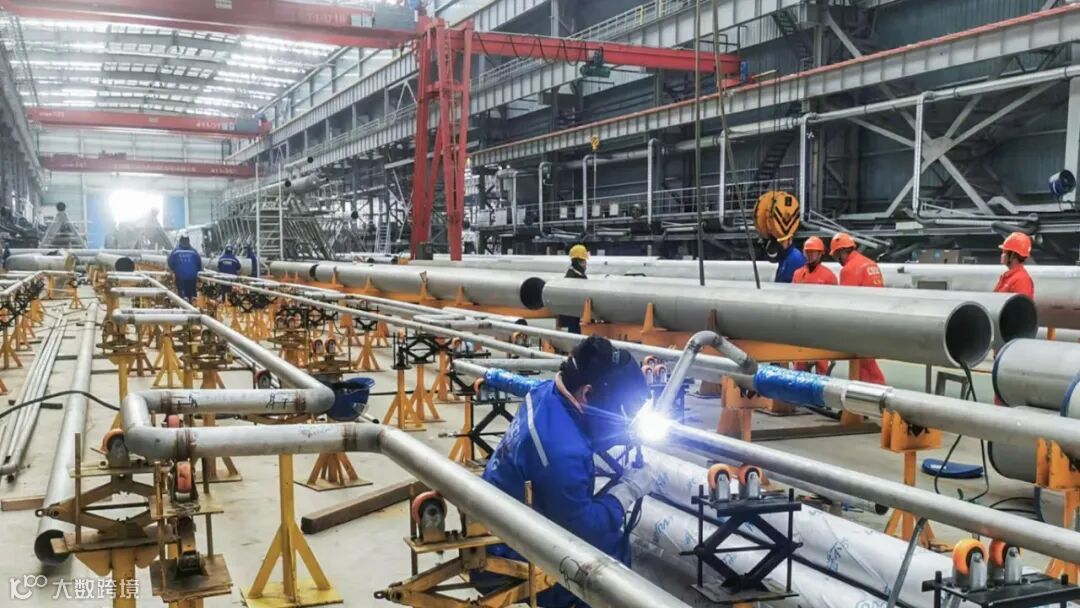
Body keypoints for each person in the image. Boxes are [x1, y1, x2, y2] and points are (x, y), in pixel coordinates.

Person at [482, 335, 654, 607]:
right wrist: (628, 492)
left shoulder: (545, 393)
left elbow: (580, 427)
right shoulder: (562, 453)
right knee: (608, 557)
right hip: (509, 552)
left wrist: (624, 432)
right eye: (618, 412)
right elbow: (586, 529)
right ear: (588, 394)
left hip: (497, 518)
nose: (620, 420)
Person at [830, 232, 886, 385]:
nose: (838, 261)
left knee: (866, 365)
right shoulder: (871, 264)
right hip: (878, 321)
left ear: (841, 252)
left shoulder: (849, 269)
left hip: (861, 326)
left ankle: (880, 394)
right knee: (865, 365)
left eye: (836, 256)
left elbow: (846, 303)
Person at [792, 236, 836, 375]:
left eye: (813, 252)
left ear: (820, 253)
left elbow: (834, 304)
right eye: (807, 252)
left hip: (821, 327)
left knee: (821, 365)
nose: (810, 255)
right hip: (802, 326)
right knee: (799, 366)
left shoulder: (829, 276)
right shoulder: (798, 274)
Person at [557, 244, 589, 334]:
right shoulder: (575, 276)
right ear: (578, 261)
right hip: (574, 314)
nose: (586, 264)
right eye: (584, 261)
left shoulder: (573, 273)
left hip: (574, 314)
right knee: (575, 334)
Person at [994, 232, 1035, 299]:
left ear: (1013, 254)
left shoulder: (1021, 280)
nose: (1002, 255)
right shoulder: (1008, 276)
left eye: (1004, 251)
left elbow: (1021, 304)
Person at [168, 235, 202, 302]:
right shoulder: (194, 252)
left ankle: (183, 300)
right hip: (192, 277)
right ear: (189, 241)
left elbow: (170, 262)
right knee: (192, 293)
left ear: (180, 241)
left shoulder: (176, 251)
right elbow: (199, 263)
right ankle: (192, 300)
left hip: (180, 277)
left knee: (182, 294)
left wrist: (175, 270)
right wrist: (195, 271)